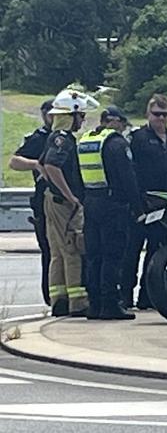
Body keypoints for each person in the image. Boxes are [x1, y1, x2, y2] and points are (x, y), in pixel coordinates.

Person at [79, 106, 143, 320]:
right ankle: (110, 304)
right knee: (112, 255)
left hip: (91, 202)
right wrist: (137, 206)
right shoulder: (116, 143)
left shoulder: (87, 141)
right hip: (113, 205)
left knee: (94, 256)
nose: (124, 128)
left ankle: (95, 304)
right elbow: (128, 178)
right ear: (115, 121)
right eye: (123, 124)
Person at [39, 89, 99, 317]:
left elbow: (44, 166)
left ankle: (59, 299)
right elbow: (52, 166)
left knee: (58, 253)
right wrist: (70, 196)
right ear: (70, 115)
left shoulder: (54, 137)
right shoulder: (63, 139)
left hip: (52, 202)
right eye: (81, 116)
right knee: (72, 250)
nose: (82, 121)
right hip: (64, 205)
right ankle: (77, 302)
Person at [123, 94, 167, 309]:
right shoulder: (137, 138)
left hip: (164, 206)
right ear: (148, 114)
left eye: (165, 115)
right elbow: (129, 172)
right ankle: (126, 296)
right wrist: (135, 203)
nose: (161, 119)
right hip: (141, 204)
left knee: (157, 254)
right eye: (157, 114)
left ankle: (147, 297)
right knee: (131, 253)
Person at [9, 100, 54, 305]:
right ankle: (50, 296)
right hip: (43, 202)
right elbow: (14, 161)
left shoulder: (62, 137)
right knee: (49, 250)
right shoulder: (39, 138)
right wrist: (36, 164)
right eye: (50, 114)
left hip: (61, 201)